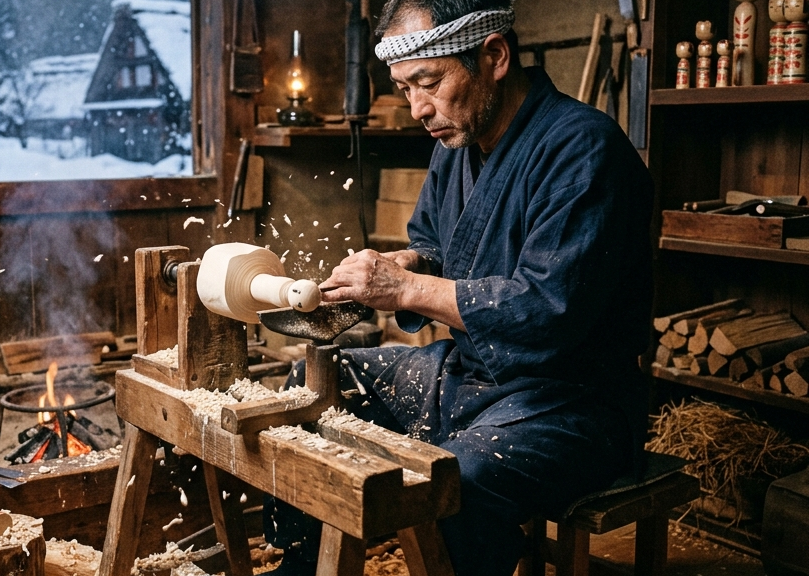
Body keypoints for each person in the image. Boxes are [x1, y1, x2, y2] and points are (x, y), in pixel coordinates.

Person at [262, 0, 654, 575]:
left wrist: (405, 288)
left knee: (459, 478)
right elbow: (441, 249)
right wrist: (398, 264)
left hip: (570, 402)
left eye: (429, 82)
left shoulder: (583, 149)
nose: (419, 108)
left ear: (493, 56)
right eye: (405, 88)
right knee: (313, 385)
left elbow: (546, 310)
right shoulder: (457, 139)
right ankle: (303, 565)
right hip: (472, 377)